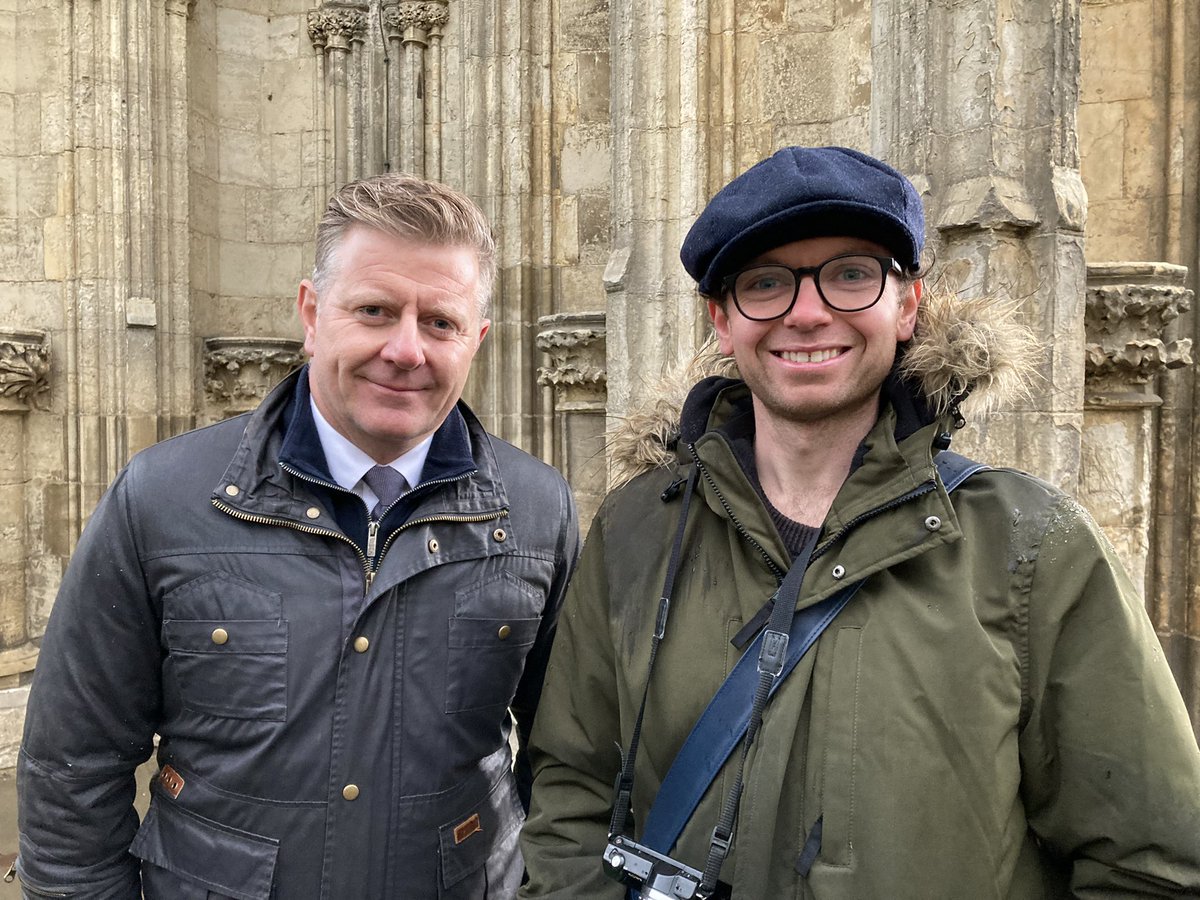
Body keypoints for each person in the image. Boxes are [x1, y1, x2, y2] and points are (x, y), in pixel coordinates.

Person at [519, 146, 1200, 898]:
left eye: (850, 274)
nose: (807, 313)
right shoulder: (639, 530)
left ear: (908, 303)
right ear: (722, 319)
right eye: (765, 283)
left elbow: (1149, 862)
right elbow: (571, 793)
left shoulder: (1031, 548)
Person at [17, 173, 580, 899]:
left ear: (477, 338)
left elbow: (567, 762)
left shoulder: (537, 511)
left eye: (439, 322)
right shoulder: (165, 499)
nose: (406, 350)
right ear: (312, 314)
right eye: (374, 310)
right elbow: (72, 766)